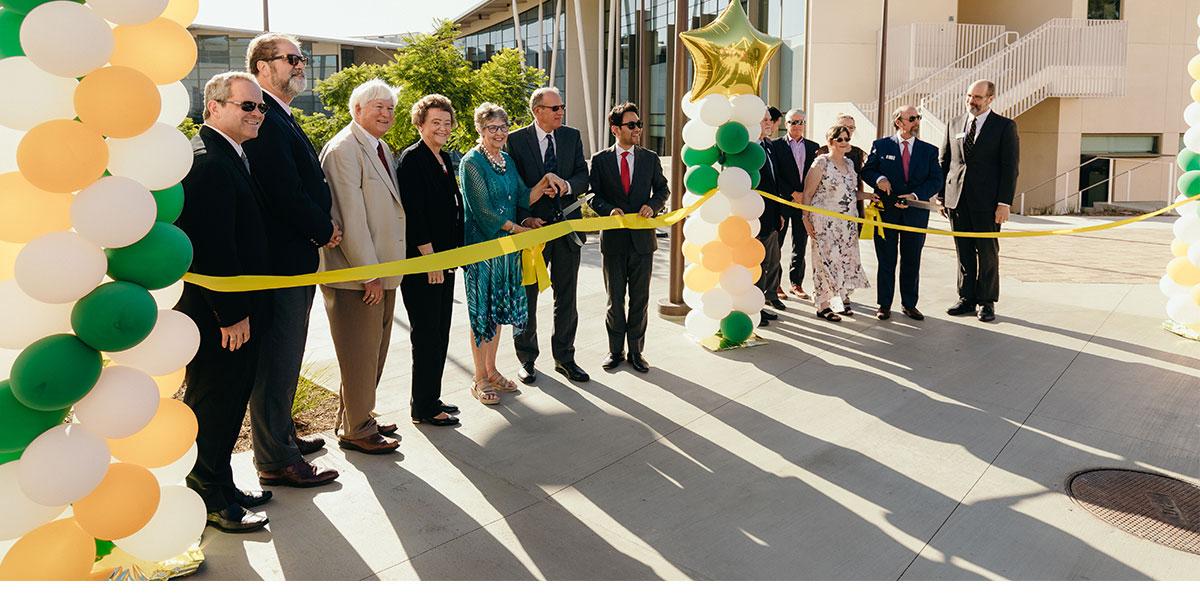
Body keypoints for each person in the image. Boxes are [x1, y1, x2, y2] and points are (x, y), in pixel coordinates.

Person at [175, 72, 273, 532]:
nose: (257, 114)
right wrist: (231, 313)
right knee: (215, 402)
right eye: (247, 106)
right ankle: (209, 498)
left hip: (235, 309)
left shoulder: (232, 155)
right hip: (220, 316)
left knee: (231, 401)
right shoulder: (209, 162)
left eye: (260, 107)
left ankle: (222, 481)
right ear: (214, 107)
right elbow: (212, 245)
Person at [242, 33, 339, 488]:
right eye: (293, 59)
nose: (302, 66)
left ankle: (282, 438)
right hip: (280, 259)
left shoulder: (281, 114)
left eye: (303, 59)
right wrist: (322, 228)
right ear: (262, 67)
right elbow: (283, 190)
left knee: (289, 355)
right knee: (277, 358)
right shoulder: (260, 116)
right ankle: (276, 460)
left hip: (297, 255)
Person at [317, 79, 404, 454]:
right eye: (378, 107)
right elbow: (350, 217)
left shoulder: (381, 147)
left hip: (383, 271)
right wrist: (369, 273)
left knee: (374, 351)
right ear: (357, 110)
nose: (386, 114)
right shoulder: (344, 150)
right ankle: (357, 429)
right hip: (359, 275)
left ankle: (358, 415)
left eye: (390, 108)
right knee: (359, 352)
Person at [459, 103, 566, 404]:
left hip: (507, 251)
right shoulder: (471, 163)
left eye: (503, 127)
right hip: (483, 249)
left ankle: (492, 370)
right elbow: (484, 212)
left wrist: (545, 181)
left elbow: (523, 196)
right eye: (492, 128)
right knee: (481, 313)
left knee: (498, 312)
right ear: (479, 130)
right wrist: (521, 231)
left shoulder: (506, 160)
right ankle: (479, 378)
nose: (500, 133)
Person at [506, 87, 591, 385]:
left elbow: (583, 175)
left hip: (567, 230)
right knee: (526, 297)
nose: (560, 112)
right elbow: (512, 188)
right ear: (537, 111)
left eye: (562, 107)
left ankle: (565, 358)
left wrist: (566, 186)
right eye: (554, 108)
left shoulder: (571, 136)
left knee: (566, 297)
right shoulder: (515, 140)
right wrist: (525, 218)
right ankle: (527, 359)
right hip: (532, 233)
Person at [397, 94, 465, 426]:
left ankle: (431, 397)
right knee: (426, 335)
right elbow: (415, 214)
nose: (442, 128)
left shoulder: (444, 157)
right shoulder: (412, 159)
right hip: (425, 264)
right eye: (435, 122)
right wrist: (430, 259)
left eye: (446, 122)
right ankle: (423, 408)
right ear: (420, 123)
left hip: (446, 261)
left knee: (440, 333)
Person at [589, 103, 669, 373]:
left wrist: (653, 205)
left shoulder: (650, 158)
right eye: (631, 125)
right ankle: (615, 351)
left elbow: (662, 190)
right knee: (615, 299)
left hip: (643, 243)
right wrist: (608, 210)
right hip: (613, 242)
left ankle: (636, 352)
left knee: (639, 299)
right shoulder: (600, 160)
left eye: (639, 124)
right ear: (615, 129)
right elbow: (593, 195)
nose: (638, 129)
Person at [940, 79, 1019, 323]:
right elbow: (945, 161)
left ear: (990, 99)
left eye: (978, 97)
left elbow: (1010, 168)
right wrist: (943, 196)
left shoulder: (1004, 127)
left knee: (986, 252)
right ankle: (966, 298)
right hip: (957, 201)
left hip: (988, 203)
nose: (971, 102)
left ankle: (986, 301)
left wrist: (1004, 203)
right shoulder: (954, 124)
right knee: (963, 251)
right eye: (969, 96)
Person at [861, 106, 943, 321]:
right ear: (899, 122)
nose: (917, 122)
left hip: (915, 215)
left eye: (918, 118)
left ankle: (909, 304)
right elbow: (868, 170)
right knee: (886, 261)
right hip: (886, 213)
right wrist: (880, 179)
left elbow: (936, 180)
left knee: (911, 260)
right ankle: (884, 304)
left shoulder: (929, 150)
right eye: (912, 118)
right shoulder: (881, 145)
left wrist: (915, 195)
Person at [800, 124, 872, 322]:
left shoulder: (849, 164)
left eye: (847, 139)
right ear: (830, 142)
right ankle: (822, 305)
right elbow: (807, 193)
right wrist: (805, 218)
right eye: (839, 139)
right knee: (825, 262)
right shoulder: (821, 163)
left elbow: (850, 193)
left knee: (844, 262)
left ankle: (839, 301)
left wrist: (868, 195)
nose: (844, 142)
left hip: (846, 223)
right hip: (824, 222)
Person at [771, 109, 820, 301]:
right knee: (778, 244)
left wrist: (804, 196)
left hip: (804, 204)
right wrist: (792, 193)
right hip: (784, 201)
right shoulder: (776, 146)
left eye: (801, 122)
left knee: (800, 245)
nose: (797, 126)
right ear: (786, 124)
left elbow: (815, 175)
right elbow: (776, 175)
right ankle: (776, 284)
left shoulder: (814, 147)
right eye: (793, 122)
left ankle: (796, 283)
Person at [755, 107, 786, 327]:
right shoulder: (748, 151)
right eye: (763, 120)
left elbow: (775, 184)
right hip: (755, 218)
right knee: (756, 264)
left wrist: (779, 214)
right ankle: (755, 307)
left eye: (769, 120)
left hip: (772, 216)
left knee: (770, 262)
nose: (768, 123)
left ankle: (764, 301)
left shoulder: (769, 146)